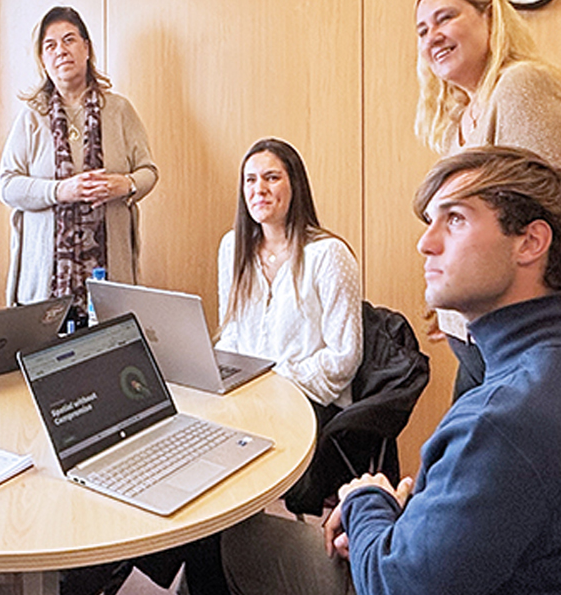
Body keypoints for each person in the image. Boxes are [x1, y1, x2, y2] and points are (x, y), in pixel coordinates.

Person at [221, 146, 561, 595]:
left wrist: (364, 498)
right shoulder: (530, 371)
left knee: (234, 543)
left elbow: (392, 583)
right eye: (430, 222)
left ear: (530, 242)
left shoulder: (501, 420)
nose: (426, 242)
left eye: (455, 219)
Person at [415, 0, 561, 396]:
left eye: (445, 18)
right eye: (423, 30)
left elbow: (541, 211)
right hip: (473, 337)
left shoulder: (519, 85)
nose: (432, 37)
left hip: (518, 335)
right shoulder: (455, 125)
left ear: (489, 18)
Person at [0, 6, 158, 325]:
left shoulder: (119, 110)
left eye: (69, 40)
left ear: (86, 47)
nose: (61, 51)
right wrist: (60, 190)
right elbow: (7, 185)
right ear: (43, 60)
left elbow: (148, 171)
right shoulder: (32, 116)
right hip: (46, 283)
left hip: (110, 275)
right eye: (50, 45)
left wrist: (125, 184)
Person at [218, 138, 362, 421]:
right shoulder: (232, 247)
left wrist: (275, 382)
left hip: (308, 400)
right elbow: (231, 334)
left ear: (295, 186)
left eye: (271, 178)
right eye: (250, 180)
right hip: (249, 397)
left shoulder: (329, 254)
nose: (259, 189)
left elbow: (344, 357)